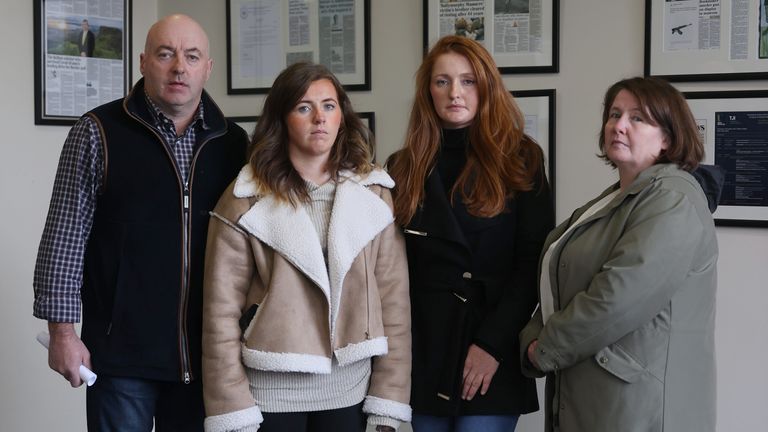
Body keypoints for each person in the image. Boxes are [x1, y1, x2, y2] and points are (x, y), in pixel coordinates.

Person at [33, 14, 248, 431]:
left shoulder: (235, 144)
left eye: (191, 56)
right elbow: (64, 238)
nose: (178, 68)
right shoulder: (97, 132)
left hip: (208, 355)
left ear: (208, 68)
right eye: (165, 54)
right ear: (143, 62)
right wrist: (62, 332)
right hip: (120, 356)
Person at [201, 62, 411, 432]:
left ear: (342, 117)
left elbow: (394, 306)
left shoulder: (374, 194)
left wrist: (389, 401)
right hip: (269, 394)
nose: (319, 118)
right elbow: (219, 316)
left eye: (329, 106)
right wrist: (231, 406)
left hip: (349, 391)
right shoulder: (242, 201)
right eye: (304, 107)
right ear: (281, 119)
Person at [520, 76, 723, 432]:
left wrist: (544, 348)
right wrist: (530, 338)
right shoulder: (615, 198)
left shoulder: (672, 199)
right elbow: (559, 280)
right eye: (614, 115)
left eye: (637, 118)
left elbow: (616, 297)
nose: (618, 125)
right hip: (595, 397)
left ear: (669, 138)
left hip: (638, 405)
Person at [387, 35, 554, 431]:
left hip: (490, 343)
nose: (455, 93)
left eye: (468, 81)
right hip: (425, 349)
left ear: (486, 87)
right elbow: (389, 269)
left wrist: (491, 346)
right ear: (428, 91)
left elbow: (533, 263)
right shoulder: (401, 166)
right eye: (442, 81)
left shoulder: (522, 158)